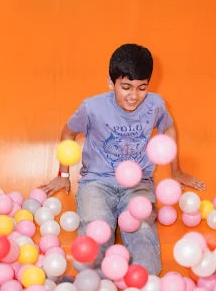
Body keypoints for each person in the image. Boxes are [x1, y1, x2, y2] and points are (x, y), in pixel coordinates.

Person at [42, 43, 205, 275]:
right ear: (111, 83)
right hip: (97, 183)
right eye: (126, 87)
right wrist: (63, 174)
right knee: (94, 236)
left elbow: (168, 129)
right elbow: (68, 132)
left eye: (141, 88)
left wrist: (176, 171)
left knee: (145, 244)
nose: (134, 96)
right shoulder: (92, 107)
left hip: (138, 184)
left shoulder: (155, 105)